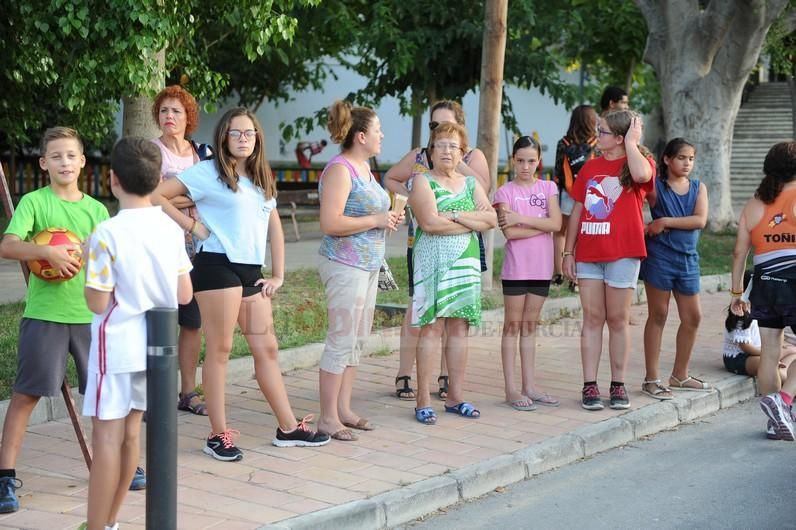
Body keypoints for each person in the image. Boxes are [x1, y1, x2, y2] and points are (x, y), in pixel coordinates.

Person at [153, 107, 329, 461]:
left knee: (267, 349)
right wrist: (192, 227)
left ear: (257, 139)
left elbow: (273, 226)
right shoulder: (207, 172)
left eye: (249, 133)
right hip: (216, 266)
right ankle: (217, 436)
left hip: (251, 271)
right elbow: (156, 196)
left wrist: (278, 273)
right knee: (220, 349)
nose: (243, 139)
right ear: (224, 137)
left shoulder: (261, 178)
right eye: (236, 133)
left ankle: (288, 427)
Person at [81, 137, 193, 530]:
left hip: (116, 348)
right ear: (158, 178)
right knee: (131, 435)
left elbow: (96, 303)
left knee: (107, 440)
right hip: (156, 349)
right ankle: (109, 521)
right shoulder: (170, 229)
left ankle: (97, 526)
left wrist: (85, 267)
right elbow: (184, 293)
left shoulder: (105, 233)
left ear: (112, 179)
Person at [0, 127, 109, 513]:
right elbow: (8, 246)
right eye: (56, 156)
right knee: (27, 394)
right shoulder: (34, 202)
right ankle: (5, 476)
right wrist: (45, 253)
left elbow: (108, 261)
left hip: (89, 315)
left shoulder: (97, 210)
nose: (64, 162)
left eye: (71, 155)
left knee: (100, 395)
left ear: (82, 161)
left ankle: (112, 463)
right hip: (45, 314)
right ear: (44, 163)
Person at [384, 100, 490, 403]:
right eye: (433, 127)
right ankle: (406, 374)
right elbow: (391, 178)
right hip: (423, 245)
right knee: (420, 313)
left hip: (462, 248)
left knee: (456, 317)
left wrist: (456, 158)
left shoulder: (471, 156)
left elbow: (482, 191)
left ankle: (447, 379)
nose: (437, 133)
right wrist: (413, 199)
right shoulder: (419, 155)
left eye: (446, 127)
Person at [316, 100, 402, 441]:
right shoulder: (340, 170)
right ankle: (326, 418)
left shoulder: (366, 169)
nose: (382, 135)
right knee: (341, 339)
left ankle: (344, 409)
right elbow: (329, 222)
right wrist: (376, 220)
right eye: (378, 130)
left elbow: (367, 216)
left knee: (357, 339)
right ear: (362, 135)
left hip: (367, 266)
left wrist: (386, 220)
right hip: (344, 265)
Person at [562, 110, 654, 411]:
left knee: (617, 319)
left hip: (623, 253)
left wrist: (632, 143)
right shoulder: (589, 168)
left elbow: (643, 177)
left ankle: (618, 384)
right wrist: (568, 251)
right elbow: (577, 210)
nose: (596, 135)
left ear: (619, 137)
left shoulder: (636, 165)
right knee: (592, 318)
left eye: (602, 131)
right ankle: (590, 385)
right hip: (589, 252)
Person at [410, 121, 497, 424]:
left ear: (462, 152)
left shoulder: (472, 185)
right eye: (440, 144)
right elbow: (429, 224)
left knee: (459, 328)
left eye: (453, 145)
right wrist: (471, 221)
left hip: (466, 264)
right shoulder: (422, 182)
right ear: (431, 151)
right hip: (432, 264)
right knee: (431, 327)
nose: (447, 150)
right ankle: (422, 398)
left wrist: (457, 214)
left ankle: (455, 396)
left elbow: (491, 219)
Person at [151, 84, 211, 417]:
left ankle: (188, 392)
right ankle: (154, 393)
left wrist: (170, 196)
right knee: (160, 319)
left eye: (176, 110)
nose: (169, 116)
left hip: (200, 248)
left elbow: (213, 192)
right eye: (163, 111)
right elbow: (147, 197)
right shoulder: (151, 151)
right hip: (163, 244)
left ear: (189, 116)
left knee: (192, 321)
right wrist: (188, 211)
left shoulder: (202, 153)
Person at [730, 141, 796, 441]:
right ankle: (783, 400)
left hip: (764, 283)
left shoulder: (754, 203)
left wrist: (736, 293)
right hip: (793, 279)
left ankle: (773, 421)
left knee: (770, 351)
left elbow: (738, 253)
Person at [493, 136, 561, 410]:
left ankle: (529, 385)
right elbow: (509, 233)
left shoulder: (548, 187)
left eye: (531, 161)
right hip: (516, 269)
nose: (525, 166)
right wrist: (542, 225)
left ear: (538, 162)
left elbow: (556, 223)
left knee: (530, 327)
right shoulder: (504, 192)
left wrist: (522, 218)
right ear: (513, 160)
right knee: (512, 326)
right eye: (520, 161)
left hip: (541, 268)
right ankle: (511, 389)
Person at [640, 138, 710, 400]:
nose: (687, 163)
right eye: (681, 158)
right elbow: (636, 204)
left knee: (693, 317)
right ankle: (651, 379)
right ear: (667, 159)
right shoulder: (656, 187)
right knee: (658, 315)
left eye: (691, 158)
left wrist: (665, 221)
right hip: (660, 258)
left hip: (688, 260)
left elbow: (700, 220)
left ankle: (680, 375)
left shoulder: (698, 187)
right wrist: (647, 226)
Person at [552, 105, 597, 288]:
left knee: (560, 233)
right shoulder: (596, 143)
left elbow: (557, 172)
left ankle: (558, 273)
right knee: (581, 233)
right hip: (591, 195)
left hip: (567, 194)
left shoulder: (564, 143)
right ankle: (577, 278)